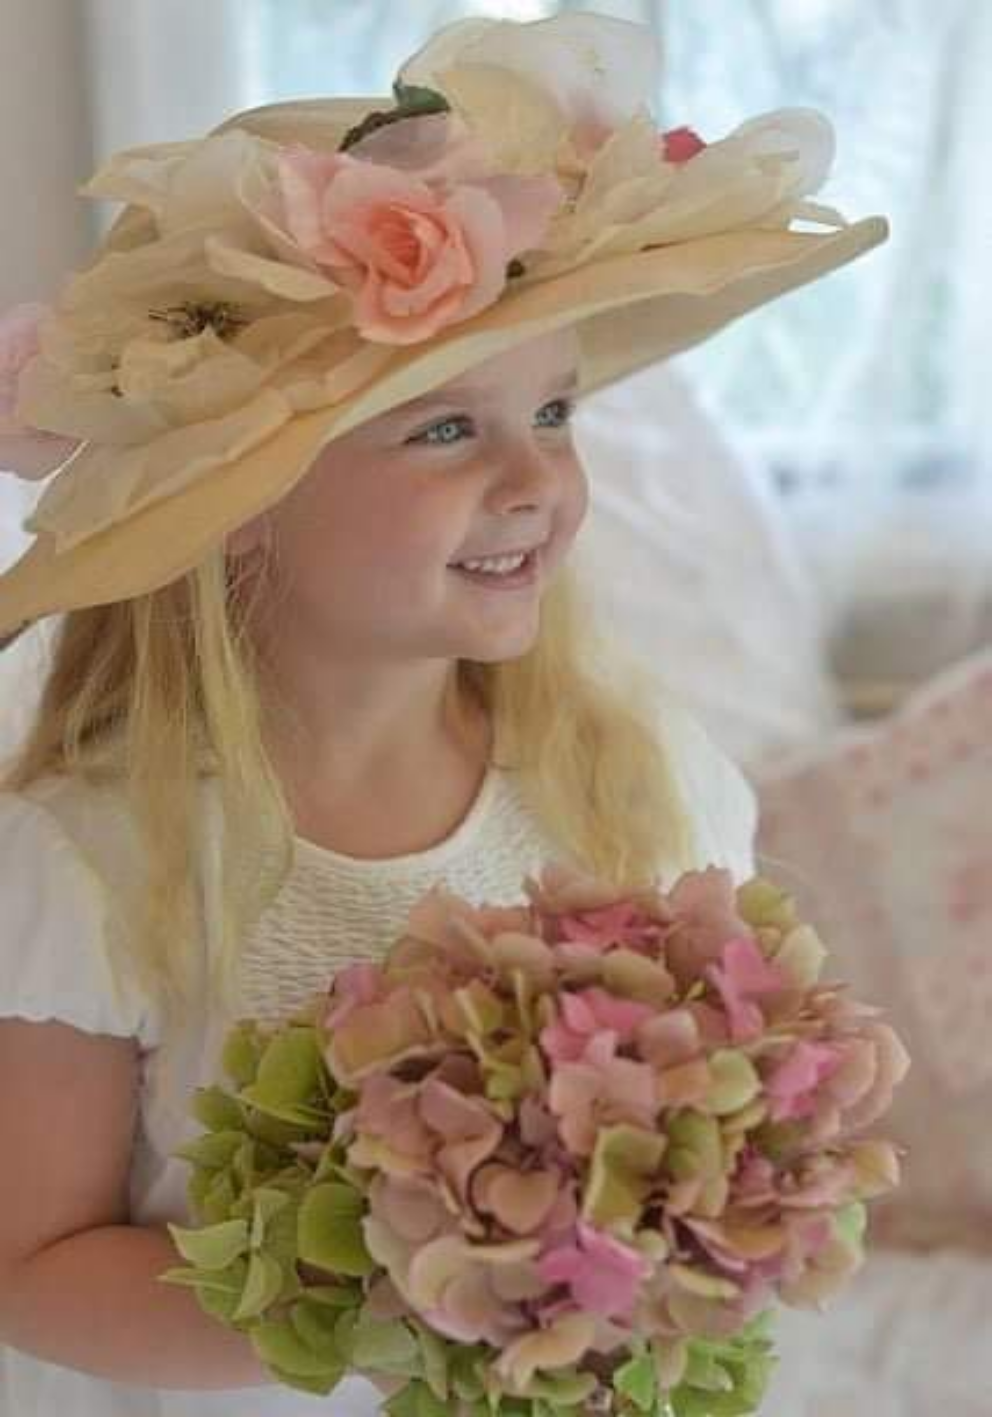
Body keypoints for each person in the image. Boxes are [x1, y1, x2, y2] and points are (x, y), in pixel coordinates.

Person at [0, 9, 888, 1415]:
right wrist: (420, 1309)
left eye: (555, 414)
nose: (534, 482)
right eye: (445, 428)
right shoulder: (98, 857)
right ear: (239, 504)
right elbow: (34, 1265)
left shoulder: (637, 783)